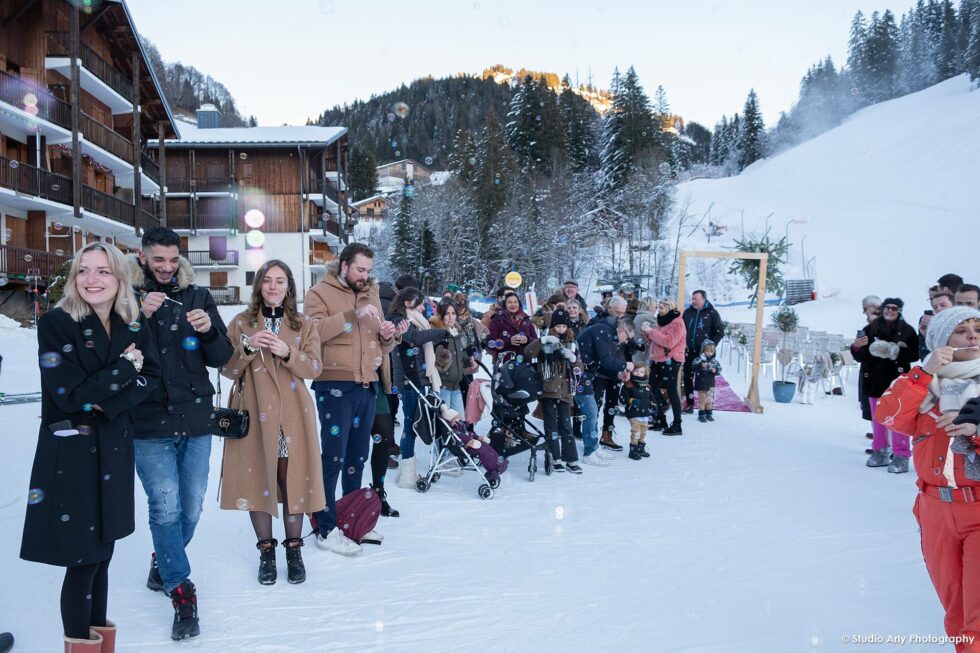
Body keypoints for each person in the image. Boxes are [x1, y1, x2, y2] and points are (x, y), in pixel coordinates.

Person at [22, 242, 159, 652]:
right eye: (83, 271)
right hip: (73, 455)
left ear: (120, 278)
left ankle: (101, 644)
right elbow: (70, 393)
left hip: (114, 449)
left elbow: (148, 376)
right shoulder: (56, 324)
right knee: (82, 562)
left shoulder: (132, 324)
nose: (92, 280)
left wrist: (106, 398)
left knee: (102, 559)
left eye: (103, 271)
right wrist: (122, 368)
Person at [129, 226, 232, 641]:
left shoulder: (197, 295)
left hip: (195, 417)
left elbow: (222, 356)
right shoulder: (126, 298)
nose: (168, 268)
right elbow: (116, 352)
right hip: (148, 419)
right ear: (143, 258)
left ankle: (164, 557)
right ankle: (180, 588)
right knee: (165, 507)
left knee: (190, 507)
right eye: (159, 260)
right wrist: (141, 316)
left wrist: (209, 330)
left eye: (174, 260)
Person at [874, 306, 980, 647]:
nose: (973, 335)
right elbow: (889, 416)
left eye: (978, 328)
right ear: (940, 341)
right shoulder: (923, 387)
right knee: (955, 612)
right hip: (934, 509)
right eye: (962, 330)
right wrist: (923, 373)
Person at [220, 260, 326, 586]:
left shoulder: (304, 324)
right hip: (254, 412)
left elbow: (314, 368)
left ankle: (294, 550)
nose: (274, 287)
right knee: (259, 481)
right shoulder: (242, 322)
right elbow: (227, 368)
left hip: (292, 415)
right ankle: (266, 551)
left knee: (289, 480)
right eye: (268, 281)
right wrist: (247, 347)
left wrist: (288, 352)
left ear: (289, 286)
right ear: (259, 286)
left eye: (281, 281)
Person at [304, 243, 401, 557]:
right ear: (343, 265)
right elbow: (313, 333)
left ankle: (352, 520)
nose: (365, 276)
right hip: (334, 384)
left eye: (369, 271)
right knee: (333, 457)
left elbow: (380, 344)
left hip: (367, 384)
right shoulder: (319, 293)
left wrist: (388, 335)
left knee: (357, 458)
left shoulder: (371, 293)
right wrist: (351, 314)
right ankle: (326, 526)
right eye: (360, 269)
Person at [387, 287, 449, 488]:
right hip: (408, 379)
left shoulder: (414, 318)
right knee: (410, 425)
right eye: (420, 303)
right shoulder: (398, 320)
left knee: (412, 423)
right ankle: (407, 474)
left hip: (417, 377)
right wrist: (440, 331)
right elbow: (414, 338)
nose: (424, 307)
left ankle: (406, 471)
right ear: (407, 303)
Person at [852, 297, 919, 473]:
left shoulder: (907, 330)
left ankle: (901, 455)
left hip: (898, 381)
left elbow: (914, 355)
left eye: (894, 308)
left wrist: (897, 351)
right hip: (874, 380)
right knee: (878, 419)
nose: (890, 311)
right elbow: (860, 356)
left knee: (898, 419)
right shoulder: (870, 328)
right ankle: (880, 451)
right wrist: (857, 347)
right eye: (887, 308)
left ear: (900, 310)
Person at [525, 308, 583, 474]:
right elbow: (528, 352)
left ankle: (571, 459)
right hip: (548, 389)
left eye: (564, 327)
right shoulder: (546, 341)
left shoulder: (572, 342)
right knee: (551, 426)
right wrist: (542, 341)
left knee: (566, 425)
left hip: (565, 391)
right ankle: (555, 458)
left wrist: (572, 359)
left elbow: (580, 367)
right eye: (558, 326)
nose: (560, 330)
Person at [577, 310, 633, 464]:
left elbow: (600, 363)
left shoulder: (607, 333)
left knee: (592, 412)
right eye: (627, 338)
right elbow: (605, 360)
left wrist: (618, 375)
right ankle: (589, 452)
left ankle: (593, 447)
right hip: (578, 374)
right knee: (591, 412)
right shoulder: (604, 331)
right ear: (622, 331)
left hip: (586, 374)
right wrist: (625, 365)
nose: (626, 342)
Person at [644, 299, 688, 435]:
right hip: (658, 359)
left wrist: (651, 331)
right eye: (658, 307)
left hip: (671, 360)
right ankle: (661, 419)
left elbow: (669, 342)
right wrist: (647, 331)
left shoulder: (677, 322)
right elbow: (656, 338)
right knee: (652, 387)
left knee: (671, 390)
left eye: (661, 308)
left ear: (669, 308)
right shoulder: (662, 320)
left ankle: (677, 424)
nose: (659, 310)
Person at [592, 296, 629, 451]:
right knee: (595, 405)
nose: (620, 315)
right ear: (609, 309)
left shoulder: (624, 323)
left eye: (623, 312)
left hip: (616, 370)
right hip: (598, 370)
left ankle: (607, 435)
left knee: (612, 405)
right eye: (617, 312)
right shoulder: (596, 323)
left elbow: (626, 346)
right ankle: (591, 436)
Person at [681, 290, 725, 413]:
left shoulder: (712, 313)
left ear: (704, 299)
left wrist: (710, 346)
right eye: (692, 298)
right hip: (689, 350)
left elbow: (719, 332)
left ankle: (707, 406)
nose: (693, 301)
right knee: (687, 377)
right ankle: (690, 403)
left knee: (705, 379)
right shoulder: (688, 312)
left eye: (696, 298)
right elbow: (681, 330)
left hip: (705, 354)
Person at [431, 298, 475, 415]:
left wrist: (469, 361)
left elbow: (460, 356)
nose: (450, 317)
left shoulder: (457, 331)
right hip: (442, 386)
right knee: (446, 425)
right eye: (447, 314)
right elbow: (433, 361)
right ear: (440, 315)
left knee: (459, 423)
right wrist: (443, 357)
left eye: (453, 313)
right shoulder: (436, 332)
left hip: (456, 386)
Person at [486, 292, 538, 365]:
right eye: (509, 302)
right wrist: (509, 341)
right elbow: (490, 343)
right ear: (505, 305)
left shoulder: (526, 319)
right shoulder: (497, 319)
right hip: (503, 364)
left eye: (515, 302)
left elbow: (536, 342)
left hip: (525, 364)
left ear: (519, 304)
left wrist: (527, 339)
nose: (513, 305)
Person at [621, 362, 654, 460]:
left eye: (641, 371)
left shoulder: (647, 386)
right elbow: (622, 398)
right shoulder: (629, 385)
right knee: (636, 432)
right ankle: (633, 450)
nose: (638, 373)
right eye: (636, 371)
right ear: (632, 372)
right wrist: (631, 400)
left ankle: (640, 448)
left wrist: (654, 404)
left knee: (643, 432)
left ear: (645, 374)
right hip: (634, 413)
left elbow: (651, 398)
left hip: (645, 414)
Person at [692, 339, 722, 423]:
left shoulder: (714, 361)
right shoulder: (699, 360)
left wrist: (715, 371)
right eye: (707, 351)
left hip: (710, 384)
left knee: (709, 400)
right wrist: (700, 366)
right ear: (703, 350)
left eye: (711, 352)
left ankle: (709, 413)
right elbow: (693, 368)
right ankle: (701, 414)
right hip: (701, 383)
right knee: (702, 400)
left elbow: (719, 369)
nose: (709, 353)